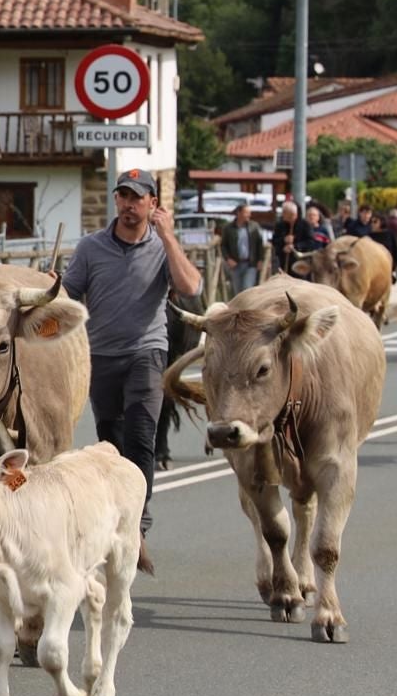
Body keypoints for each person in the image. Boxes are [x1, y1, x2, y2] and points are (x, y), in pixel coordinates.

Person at [62, 169, 201, 540]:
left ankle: (137, 519)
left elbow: (190, 286)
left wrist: (168, 236)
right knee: (111, 439)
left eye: (137, 197)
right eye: (123, 196)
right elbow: (68, 293)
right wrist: (48, 288)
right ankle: (116, 510)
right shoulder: (91, 247)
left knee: (141, 437)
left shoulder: (162, 246)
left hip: (147, 353)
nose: (128, 204)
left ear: (153, 204)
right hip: (102, 356)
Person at [222, 203, 265, 292]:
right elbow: (223, 245)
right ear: (238, 213)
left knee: (247, 288)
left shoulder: (254, 227)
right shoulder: (228, 228)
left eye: (249, 213)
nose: (249, 215)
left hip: (250, 264)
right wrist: (228, 259)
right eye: (246, 213)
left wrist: (260, 260)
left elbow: (260, 244)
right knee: (237, 291)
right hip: (235, 264)